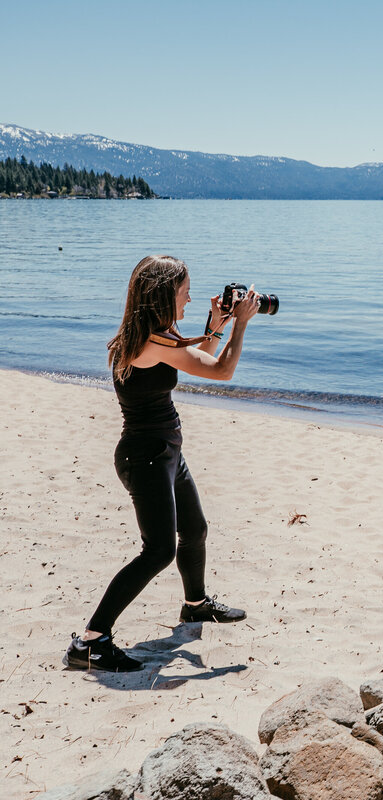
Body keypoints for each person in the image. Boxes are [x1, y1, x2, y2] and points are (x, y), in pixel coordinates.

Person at [65, 255, 262, 672]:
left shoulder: (152, 335)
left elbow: (196, 359)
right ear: (162, 295)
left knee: (195, 529)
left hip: (165, 452)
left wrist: (216, 324)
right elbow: (222, 370)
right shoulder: (151, 342)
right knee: (158, 551)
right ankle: (91, 641)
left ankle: (195, 606)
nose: (190, 299)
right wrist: (242, 323)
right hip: (147, 458)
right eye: (185, 292)